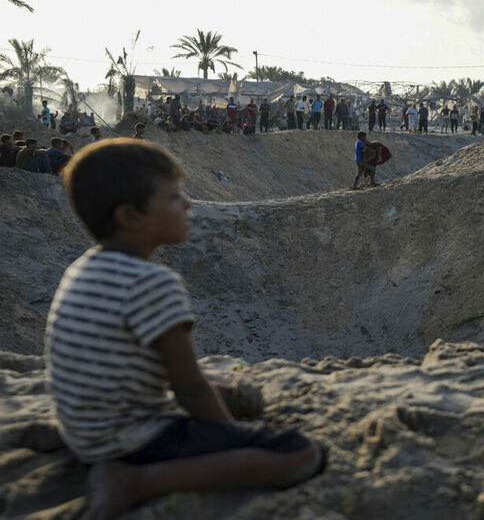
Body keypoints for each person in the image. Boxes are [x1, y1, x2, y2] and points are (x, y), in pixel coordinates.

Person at [46, 139, 324, 520]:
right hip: (131, 440)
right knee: (299, 453)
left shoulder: (81, 269)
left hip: (83, 430)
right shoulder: (152, 282)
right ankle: (133, 483)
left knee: (228, 392)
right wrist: (229, 439)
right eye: (176, 197)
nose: (189, 205)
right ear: (132, 216)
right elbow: (189, 388)